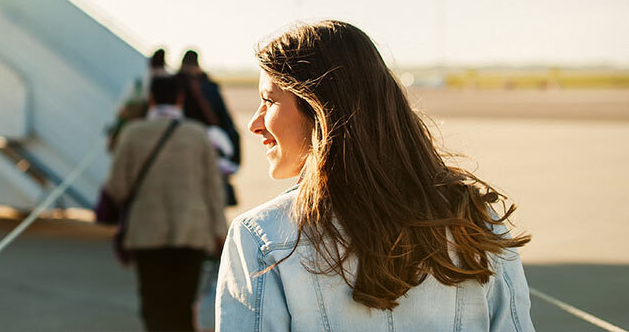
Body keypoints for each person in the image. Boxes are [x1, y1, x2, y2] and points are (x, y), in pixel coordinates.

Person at [216, 20, 534, 331]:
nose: (254, 123)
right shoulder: (475, 223)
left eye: (269, 100)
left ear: (320, 108)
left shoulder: (263, 238)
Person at [105, 74, 227, 332]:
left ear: (150, 99)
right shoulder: (198, 135)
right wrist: (219, 232)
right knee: (182, 305)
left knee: (153, 304)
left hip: (147, 233)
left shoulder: (133, 134)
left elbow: (117, 187)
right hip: (191, 232)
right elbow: (213, 190)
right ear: (180, 99)